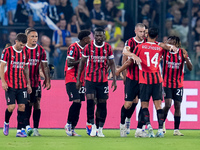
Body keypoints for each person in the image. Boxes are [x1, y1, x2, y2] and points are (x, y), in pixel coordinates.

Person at [76, 27, 117, 137]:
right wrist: (79, 79)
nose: (99, 37)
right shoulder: (88, 47)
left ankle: (100, 128)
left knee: (102, 105)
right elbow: (82, 63)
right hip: (90, 79)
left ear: (104, 36)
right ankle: (92, 125)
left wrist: (114, 79)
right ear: (94, 36)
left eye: (101, 35)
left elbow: (112, 63)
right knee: (90, 102)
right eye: (97, 35)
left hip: (103, 80)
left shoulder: (108, 47)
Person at [133, 27, 170, 138]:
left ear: (147, 35)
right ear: (157, 37)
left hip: (144, 80)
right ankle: (159, 129)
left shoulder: (139, 47)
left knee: (144, 105)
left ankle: (148, 126)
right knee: (158, 106)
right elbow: (166, 52)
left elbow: (132, 58)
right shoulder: (160, 48)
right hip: (157, 79)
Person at [116, 23, 146, 137]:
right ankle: (123, 124)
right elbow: (125, 52)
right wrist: (134, 56)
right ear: (135, 32)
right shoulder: (130, 42)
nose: (142, 34)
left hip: (144, 79)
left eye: (144, 32)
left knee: (140, 102)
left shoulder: (146, 42)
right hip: (132, 77)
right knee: (128, 104)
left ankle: (139, 127)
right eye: (140, 32)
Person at [1, 33, 32, 137]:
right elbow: (2, 66)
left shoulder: (26, 52)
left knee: (22, 106)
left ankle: (19, 130)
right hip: (10, 84)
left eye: (24, 45)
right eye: (21, 44)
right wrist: (3, 81)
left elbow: (26, 68)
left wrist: (28, 84)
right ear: (16, 41)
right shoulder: (7, 51)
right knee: (11, 107)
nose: (23, 47)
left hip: (21, 84)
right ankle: (6, 122)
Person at [162, 36, 193, 136]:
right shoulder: (164, 52)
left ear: (176, 44)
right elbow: (158, 45)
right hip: (166, 83)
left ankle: (176, 129)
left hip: (178, 84)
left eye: (171, 42)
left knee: (178, 105)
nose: (169, 44)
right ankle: (161, 123)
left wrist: (186, 59)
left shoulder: (182, 52)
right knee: (167, 104)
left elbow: (190, 68)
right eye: (168, 42)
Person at [24, 28, 51, 136]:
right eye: (32, 36)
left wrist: (47, 80)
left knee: (37, 102)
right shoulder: (22, 49)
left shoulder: (41, 50)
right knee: (26, 103)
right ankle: (25, 126)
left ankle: (35, 128)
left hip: (36, 81)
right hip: (24, 81)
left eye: (36, 37)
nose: (35, 39)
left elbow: (44, 66)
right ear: (27, 37)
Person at [64, 30, 91, 136]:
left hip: (81, 80)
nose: (90, 39)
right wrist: (82, 60)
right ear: (84, 39)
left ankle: (73, 127)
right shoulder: (73, 47)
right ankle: (68, 124)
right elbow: (70, 62)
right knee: (76, 101)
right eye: (89, 38)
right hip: (71, 78)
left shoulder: (88, 49)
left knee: (79, 104)